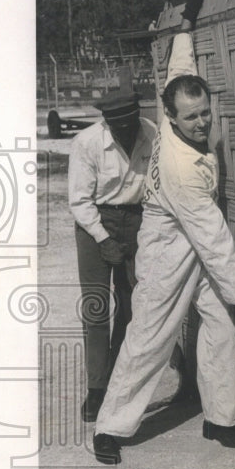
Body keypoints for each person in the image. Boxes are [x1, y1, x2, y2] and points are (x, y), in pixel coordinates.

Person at [93, 0, 235, 465]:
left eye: (206, 112)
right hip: (168, 253)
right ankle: (111, 428)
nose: (202, 122)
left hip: (195, 248)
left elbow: (178, 70)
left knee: (220, 325)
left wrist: (185, 24)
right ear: (170, 117)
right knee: (148, 339)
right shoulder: (184, 170)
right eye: (192, 117)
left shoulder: (174, 113)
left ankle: (219, 418)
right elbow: (216, 240)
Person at [68, 90, 157, 422]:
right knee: (96, 306)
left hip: (136, 218)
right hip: (95, 221)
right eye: (117, 123)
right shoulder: (86, 142)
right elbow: (79, 201)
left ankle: (117, 382)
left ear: (138, 114)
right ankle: (96, 388)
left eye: (131, 120)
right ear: (105, 121)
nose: (126, 128)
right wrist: (104, 239)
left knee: (131, 302)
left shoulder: (150, 132)